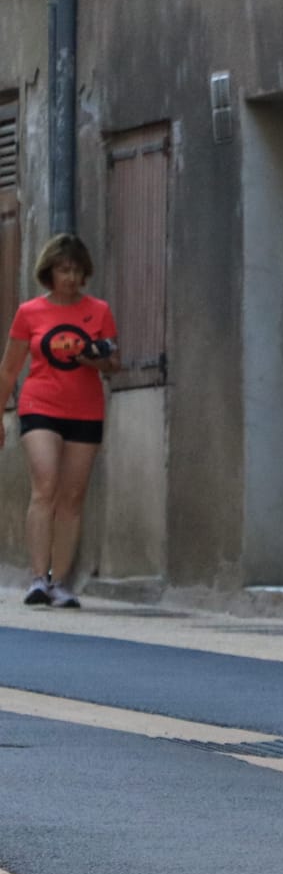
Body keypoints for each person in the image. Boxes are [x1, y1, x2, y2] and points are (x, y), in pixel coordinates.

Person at [2, 234, 119, 608]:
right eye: (63, 269)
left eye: (76, 270)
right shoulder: (30, 312)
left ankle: (60, 581)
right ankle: (38, 577)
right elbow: (9, 369)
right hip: (40, 404)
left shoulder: (98, 311)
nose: (69, 277)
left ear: (85, 274)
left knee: (72, 495)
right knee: (46, 483)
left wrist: (94, 358)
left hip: (85, 409)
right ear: (48, 272)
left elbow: (113, 364)